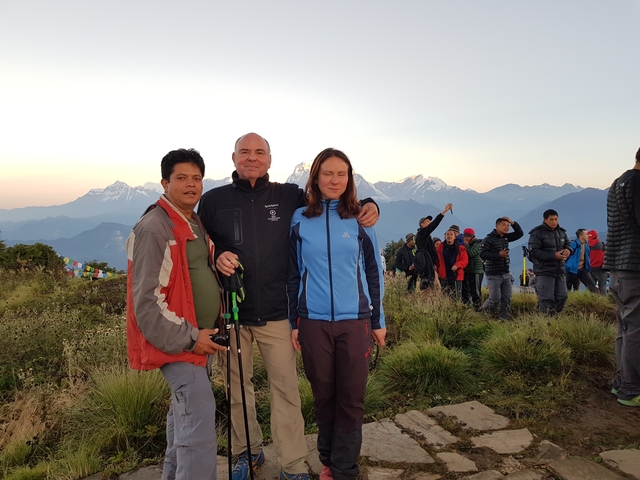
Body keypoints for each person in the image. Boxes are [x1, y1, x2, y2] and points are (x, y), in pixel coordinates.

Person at [197, 133, 379, 480]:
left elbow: (332, 195)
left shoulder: (289, 196)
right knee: (237, 391)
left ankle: (293, 465)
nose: (252, 158)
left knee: (286, 392)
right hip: (232, 314)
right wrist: (217, 254)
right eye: (245, 152)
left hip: (278, 313)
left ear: (269, 159)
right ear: (233, 158)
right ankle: (246, 452)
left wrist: (371, 204)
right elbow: (199, 242)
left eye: (260, 152)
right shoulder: (214, 201)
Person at [126, 148, 226, 480]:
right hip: (181, 342)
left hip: (198, 338)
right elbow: (147, 302)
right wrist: (189, 337)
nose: (190, 185)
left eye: (196, 178)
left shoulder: (191, 220)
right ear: (165, 182)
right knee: (198, 425)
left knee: (182, 423)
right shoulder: (156, 226)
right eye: (181, 178)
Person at [287, 148, 386, 480]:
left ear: (349, 179)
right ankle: (328, 458)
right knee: (323, 395)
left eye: (341, 174)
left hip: (355, 320)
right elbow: (293, 273)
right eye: (328, 173)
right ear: (315, 177)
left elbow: (373, 271)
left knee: (352, 397)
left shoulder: (360, 218)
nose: (334, 180)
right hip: (313, 322)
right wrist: (294, 322)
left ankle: (344, 469)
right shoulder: (300, 218)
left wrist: (378, 320)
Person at [603, 147, 640, 407]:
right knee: (636, 328)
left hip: (617, 266)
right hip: (636, 267)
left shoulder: (619, 182)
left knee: (625, 327)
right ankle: (632, 388)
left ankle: (621, 381)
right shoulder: (638, 183)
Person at [528, 209, 572, 315]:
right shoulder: (537, 233)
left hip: (559, 270)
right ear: (545, 220)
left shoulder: (561, 232)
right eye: (551, 219)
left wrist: (568, 251)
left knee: (562, 296)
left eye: (556, 219)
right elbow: (535, 252)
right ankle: (547, 321)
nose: (554, 222)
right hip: (544, 271)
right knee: (547, 298)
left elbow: (568, 244)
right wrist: (554, 256)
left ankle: (554, 316)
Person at [479, 217, 523, 319]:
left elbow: (520, 233)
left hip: (505, 271)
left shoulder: (506, 237)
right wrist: (498, 255)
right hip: (493, 273)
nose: (506, 227)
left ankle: (504, 318)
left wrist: (512, 222)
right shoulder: (488, 239)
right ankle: (481, 314)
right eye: (503, 225)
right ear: (497, 226)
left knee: (507, 297)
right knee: (494, 299)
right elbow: (482, 254)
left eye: (508, 225)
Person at [414, 204, 453, 290]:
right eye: (427, 222)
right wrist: (443, 212)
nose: (429, 223)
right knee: (428, 285)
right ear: (422, 224)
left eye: (429, 222)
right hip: (425, 263)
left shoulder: (426, 236)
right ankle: (427, 301)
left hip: (429, 263)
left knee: (434, 286)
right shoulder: (422, 233)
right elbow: (433, 225)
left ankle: (431, 301)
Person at [435, 228, 468, 299]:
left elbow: (465, 260)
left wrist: (457, 265)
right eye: (447, 234)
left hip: (457, 275)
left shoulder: (460, 248)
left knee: (457, 296)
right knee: (445, 296)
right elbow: (437, 262)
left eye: (451, 234)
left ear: (454, 237)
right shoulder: (440, 248)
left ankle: (457, 308)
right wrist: (437, 273)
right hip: (444, 275)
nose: (449, 236)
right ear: (445, 236)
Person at [461, 228, 484, 310]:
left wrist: (466, 244)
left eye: (465, 237)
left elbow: (471, 253)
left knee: (476, 291)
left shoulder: (478, 244)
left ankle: (479, 308)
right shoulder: (471, 244)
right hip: (470, 270)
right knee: (471, 290)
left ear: (469, 237)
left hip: (477, 271)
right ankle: (476, 308)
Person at [588, 230, 607, 294]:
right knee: (602, 286)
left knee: (591, 286)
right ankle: (604, 301)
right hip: (601, 268)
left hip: (590, 268)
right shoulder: (601, 245)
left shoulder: (587, 246)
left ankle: (592, 301)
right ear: (596, 236)